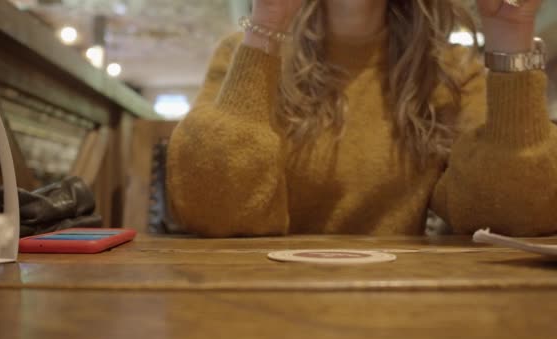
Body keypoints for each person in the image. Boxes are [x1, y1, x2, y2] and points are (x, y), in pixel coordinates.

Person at [167, 0, 555, 237]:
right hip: (252, 304)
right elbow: (208, 212)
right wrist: (268, 22)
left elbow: (517, 214)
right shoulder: (245, 53)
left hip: (402, 309)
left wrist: (511, 41)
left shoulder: (449, 71)